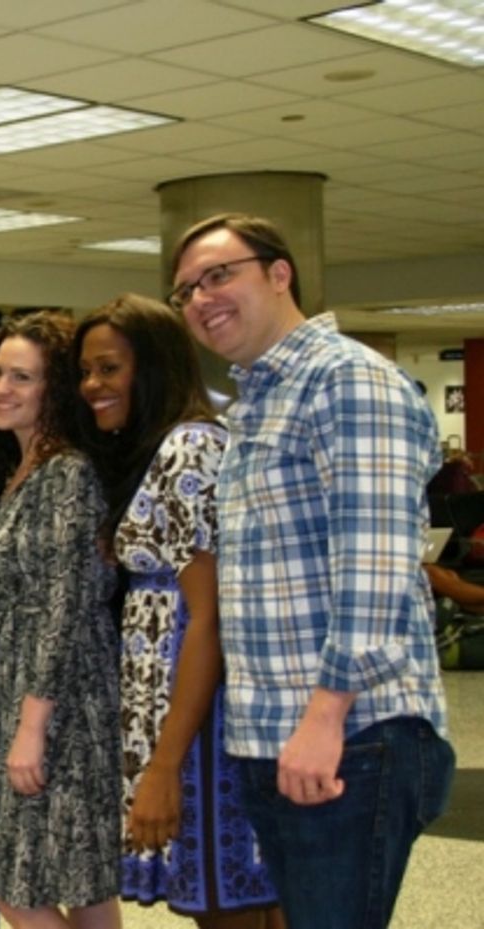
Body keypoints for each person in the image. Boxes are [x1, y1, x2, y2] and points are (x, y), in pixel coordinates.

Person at [170, 213, 455, 929]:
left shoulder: (347, 380)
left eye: (218, 275)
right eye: (185, 291)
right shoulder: (258, 402)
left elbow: (376, 563)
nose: (201, 298)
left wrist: (324, 718)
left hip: (351, 735)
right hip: (273, 732)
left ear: (279, 272)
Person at [74, 295, 281, 928]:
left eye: (109, 368)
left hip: (200, 729)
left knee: (229, 906)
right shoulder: (157, 449)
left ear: (155, 366)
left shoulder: (191, 446)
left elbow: (207, 619)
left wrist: (165, 768)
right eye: (85, 371)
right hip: (171, 721)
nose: (92, 386)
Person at [0, 312, 121, 929]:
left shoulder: (67, 473)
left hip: (62, 700)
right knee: (80, 882)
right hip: (34, 685)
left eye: (22, 376)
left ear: (53, 389)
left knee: (18, 886)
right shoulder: (26, 469)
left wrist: (32, 726)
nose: (1, 386)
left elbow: (66, 602)